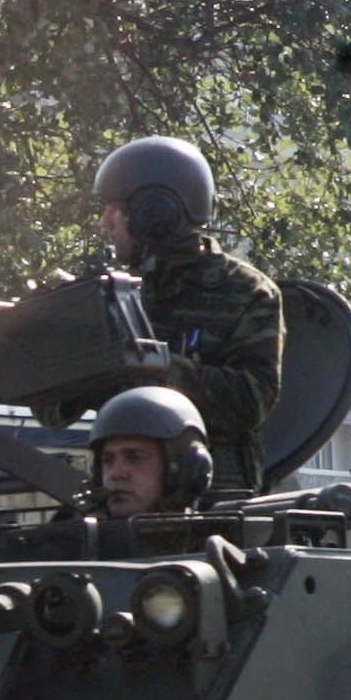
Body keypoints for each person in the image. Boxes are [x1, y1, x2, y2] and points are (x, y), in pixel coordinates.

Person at [93, 136, 283, 499]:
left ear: (153, 212)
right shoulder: (114, 294)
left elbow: (252, 399)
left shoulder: (243, 291)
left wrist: (155, 368)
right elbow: (55, 412)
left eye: (113, 209)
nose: (105, 223)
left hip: (212, 499)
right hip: (121, 498)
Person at [85, 386, 216, 520]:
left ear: (185, 469)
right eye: (107, 460)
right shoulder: (80, 537)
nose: (116, 474)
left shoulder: (212, 539)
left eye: (135, 458)